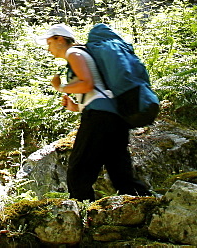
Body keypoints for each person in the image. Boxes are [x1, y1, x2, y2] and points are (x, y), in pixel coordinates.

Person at [39, 24, 150, 201]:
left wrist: (60, 87)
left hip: (99, 118)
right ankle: (147, 205)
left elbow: (87, 83)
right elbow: (97, 90)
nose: (48, 48)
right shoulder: (85, 53)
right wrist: (76, 107)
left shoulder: (74, 53)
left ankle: (85, 217)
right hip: (115, 117)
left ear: (60, 39)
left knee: (78, 172)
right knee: (121, 175)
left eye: (49, 42)